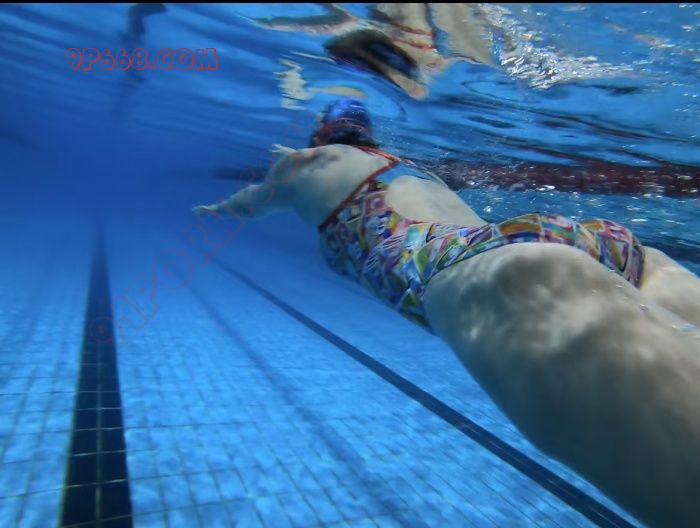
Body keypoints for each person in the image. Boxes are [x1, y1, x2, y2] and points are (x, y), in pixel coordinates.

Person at [193, 99, 700, 528]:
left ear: (320, 132)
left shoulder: (304, 164)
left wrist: (218, 209)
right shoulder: (404, 163)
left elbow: (250, 204)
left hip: (476, 268)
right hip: (582, 241)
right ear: (367, 134)